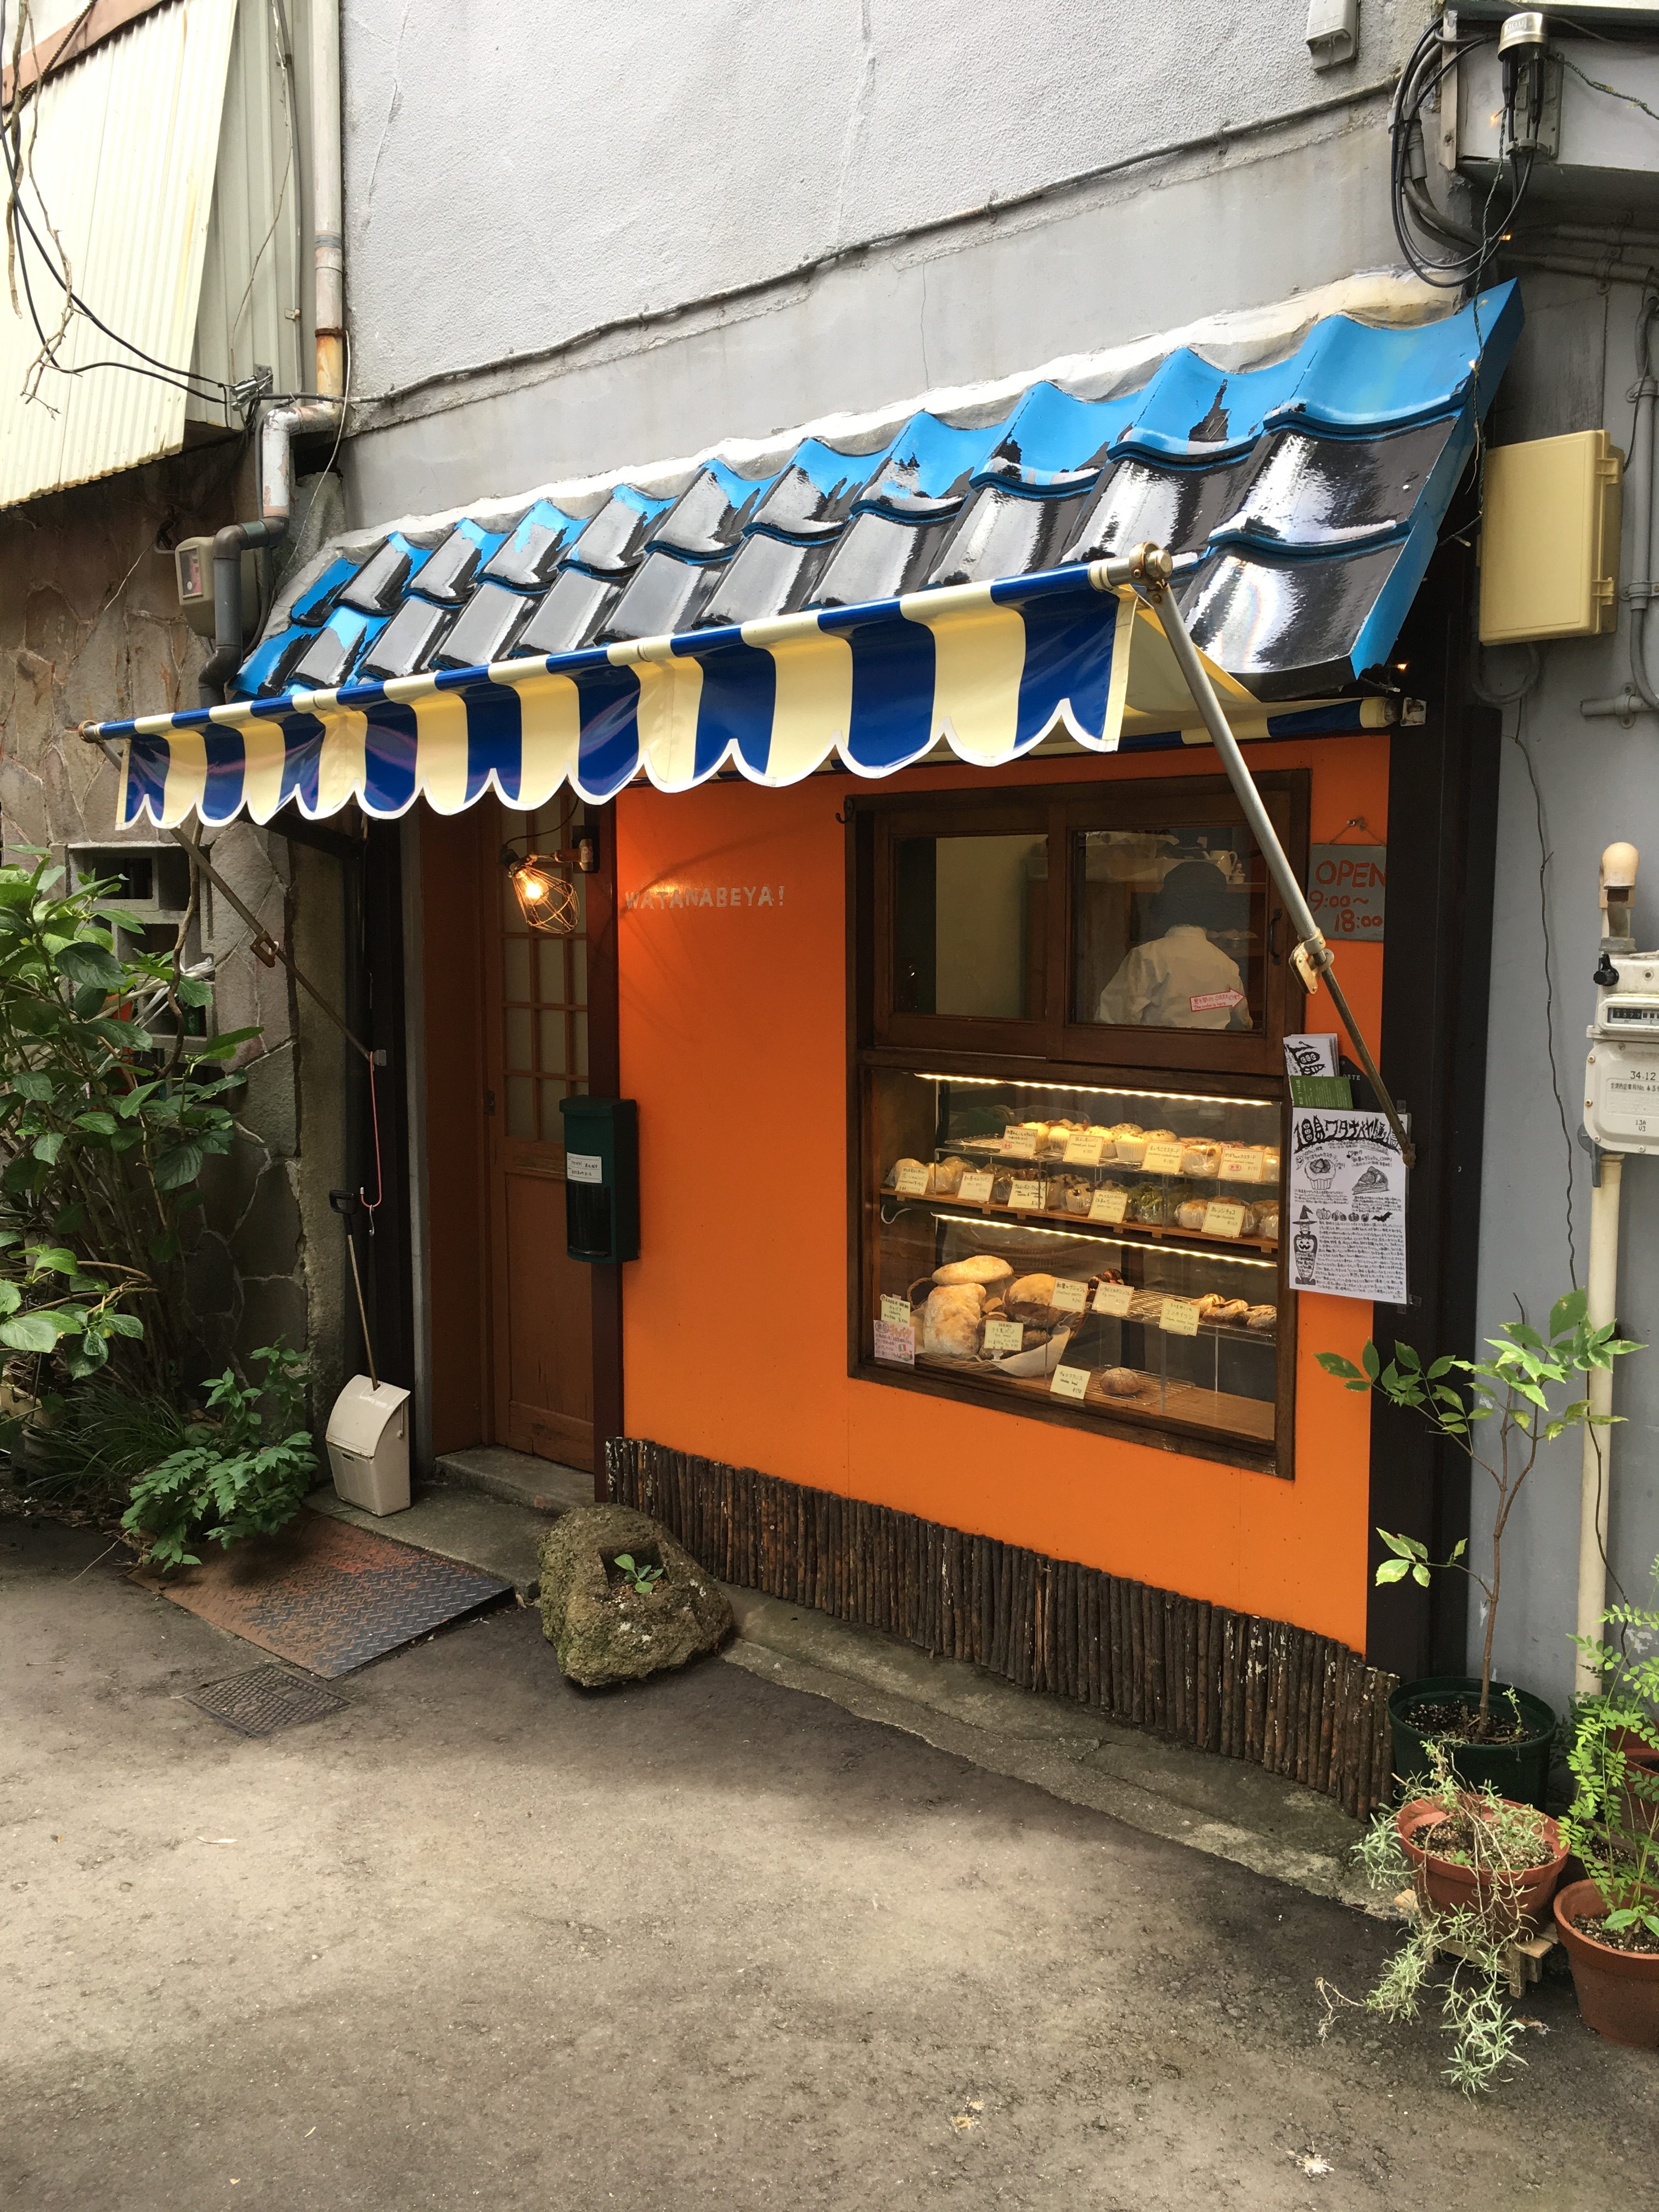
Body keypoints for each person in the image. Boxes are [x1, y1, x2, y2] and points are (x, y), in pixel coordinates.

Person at [1095, 857, 1251, 1029]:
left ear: (1165, 905)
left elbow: (1111, 1020)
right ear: (1216, 911)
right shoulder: (1227, 966)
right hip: (1211, 1053)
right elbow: (1243, 1023)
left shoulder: (1147, 957)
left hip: (1155, 1052)